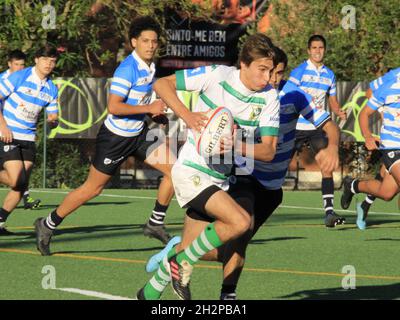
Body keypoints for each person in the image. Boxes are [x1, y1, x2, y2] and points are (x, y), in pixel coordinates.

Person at [143, 47, 340, 300]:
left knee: (227, 247)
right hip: (243, 176)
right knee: (239, 230)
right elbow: (173, 89)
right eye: (267, 71)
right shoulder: (239, 86)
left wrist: (331, 146)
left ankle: (172, 261)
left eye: (277, 73)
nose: (272, 79)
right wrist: (195, 119)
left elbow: (328, 126)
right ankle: (226, 296)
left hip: (271, 188)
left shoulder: (293, 96)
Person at [136, 33, 281, 300]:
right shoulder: (217, 75)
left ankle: (149, 291)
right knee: (240, 222)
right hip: (192, 170)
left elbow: (269, 150)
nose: (267, 77)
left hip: (220, 180)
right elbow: (162, 85)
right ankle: (180, 262)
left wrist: (237, 146)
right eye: (262, 69)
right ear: (244, 64)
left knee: (192, 247)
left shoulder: (270, 97)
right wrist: (188, 116)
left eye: (270, 71)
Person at [34, 16, 175, 255]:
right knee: (92, 189)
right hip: (115, 138)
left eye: (154, 41)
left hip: (139, 133)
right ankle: (47, 224)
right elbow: (114, 107)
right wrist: (149, 109)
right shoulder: (127, 69)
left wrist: (152, 115)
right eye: (145, 41)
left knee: (176, 170)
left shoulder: (150, 66)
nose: (151, 45)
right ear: (134, 42)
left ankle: (155, 223)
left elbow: (140, 99)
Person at [288, 34, 347, 227]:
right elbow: (287, 95)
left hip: (316, 127)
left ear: (325, 50)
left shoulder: (329, 74)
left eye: (321, 48)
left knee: (327, 166)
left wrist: (337, 110)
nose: (318, 51)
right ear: (308, 50)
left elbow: (331, 98)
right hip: (296, 126)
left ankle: (329, 213)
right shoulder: (299, 72)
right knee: (276, 163)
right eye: (314, 48)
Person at [0, 45, 59, 236]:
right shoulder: (19, 76)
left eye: (52, 61)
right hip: (8, 134)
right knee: (17, 178)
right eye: (45, 59)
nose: (49, 64)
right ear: (36, 60)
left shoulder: (51, 88)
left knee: (21, 184)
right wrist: (3, 126)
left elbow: (53, 116)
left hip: (28, 138)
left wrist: (53, 121)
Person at [341, 74, 400, 225]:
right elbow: (364, 113)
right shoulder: (390, 83)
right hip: (393, 146)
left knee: (387, 193)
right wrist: (368, 136)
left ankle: (353, 185)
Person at [0, 49, 42, 210]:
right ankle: (26, 196)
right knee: (17, 176)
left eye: (22, 65)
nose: (19, 67)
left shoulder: (26, 78)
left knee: (22, 173)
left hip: (16, 131)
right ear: (9, 64)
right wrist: (3, 125)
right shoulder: (3, 79)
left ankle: (25, 197)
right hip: (3, 128)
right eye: (16, 64)